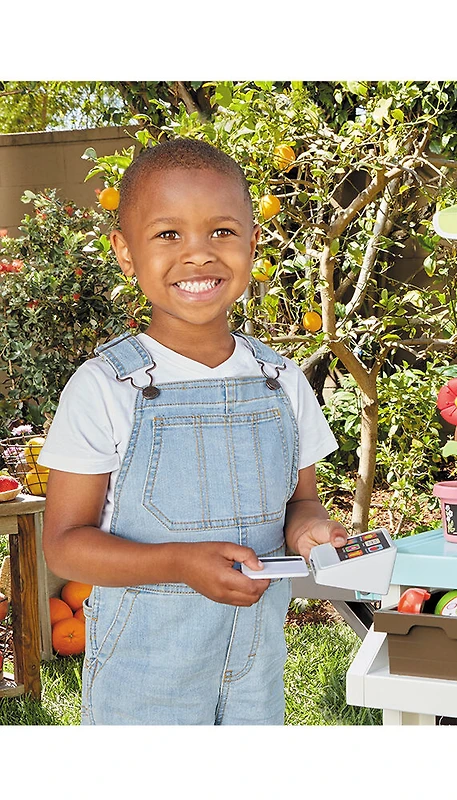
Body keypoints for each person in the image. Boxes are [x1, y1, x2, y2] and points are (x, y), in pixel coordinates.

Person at [39, 138, 348, 725]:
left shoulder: (281, 381)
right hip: (143, 675)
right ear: (126, 252)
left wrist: (311, 532)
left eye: (221, 232)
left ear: (253, 244)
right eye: (168, 234)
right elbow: (65, 544)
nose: (198, 255)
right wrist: (180, 563)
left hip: (256, 667)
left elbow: (301, 503)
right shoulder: (105, 387)